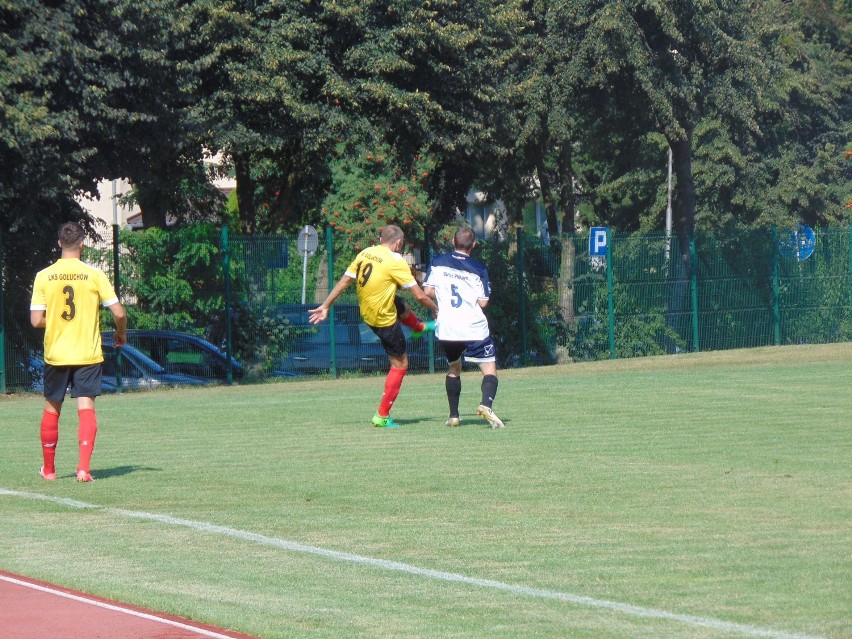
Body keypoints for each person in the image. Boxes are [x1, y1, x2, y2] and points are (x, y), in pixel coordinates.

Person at [309, 224, 438, 428]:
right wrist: (436, 309)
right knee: (400, 365)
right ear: (398, 243)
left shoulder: (366, 253)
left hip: (368, 312)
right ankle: (382, 415)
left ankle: (418, 327)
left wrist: (325, 306)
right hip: (382, 320)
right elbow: (420, 296)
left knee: (400, 304)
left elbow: (343, 283)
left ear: (380, 240)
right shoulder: (396, 261)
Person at [30, 222, 127, 482]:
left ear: (59, 243)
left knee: (52, 409)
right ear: (83, 244)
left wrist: (58, 322)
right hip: (87, 353)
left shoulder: (43, 276)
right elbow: (119, 312)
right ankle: (83, 469)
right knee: (86, 408)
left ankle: (49, 471)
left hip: (57, 353)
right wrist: (121, 333)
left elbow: (36, 320)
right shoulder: (94, 275)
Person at [423, 226, 504, 428]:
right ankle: (486, 404)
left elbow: (428, 291)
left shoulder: (437, 262)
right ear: (473, 245)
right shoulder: (479, 268)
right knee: (489, 369)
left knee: (454, 368)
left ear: (453, 241)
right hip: (473, 327)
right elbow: (483, 302)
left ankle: (454, 416)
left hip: (448, 328)